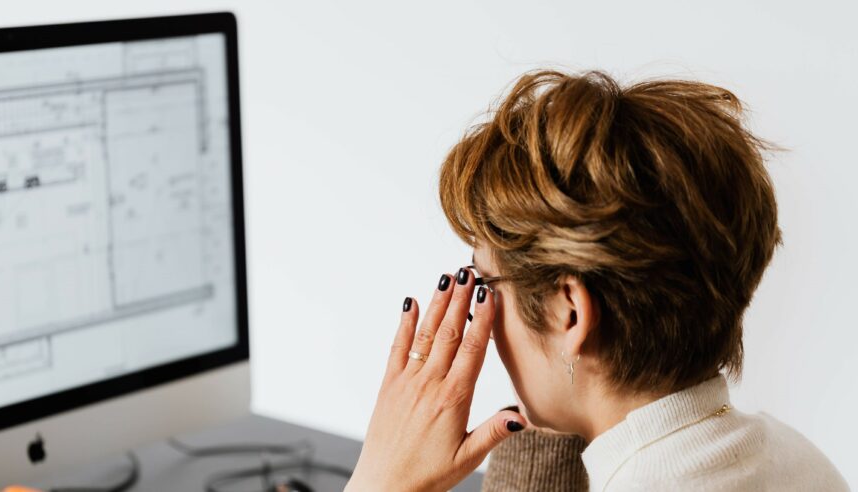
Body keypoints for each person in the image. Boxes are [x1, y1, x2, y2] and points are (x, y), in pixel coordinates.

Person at [344, 69, 849, 491]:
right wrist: (563, 405)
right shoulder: (803, 462)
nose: (484, 319)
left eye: (486, 285)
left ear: (570, 310)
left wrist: (379, 480)